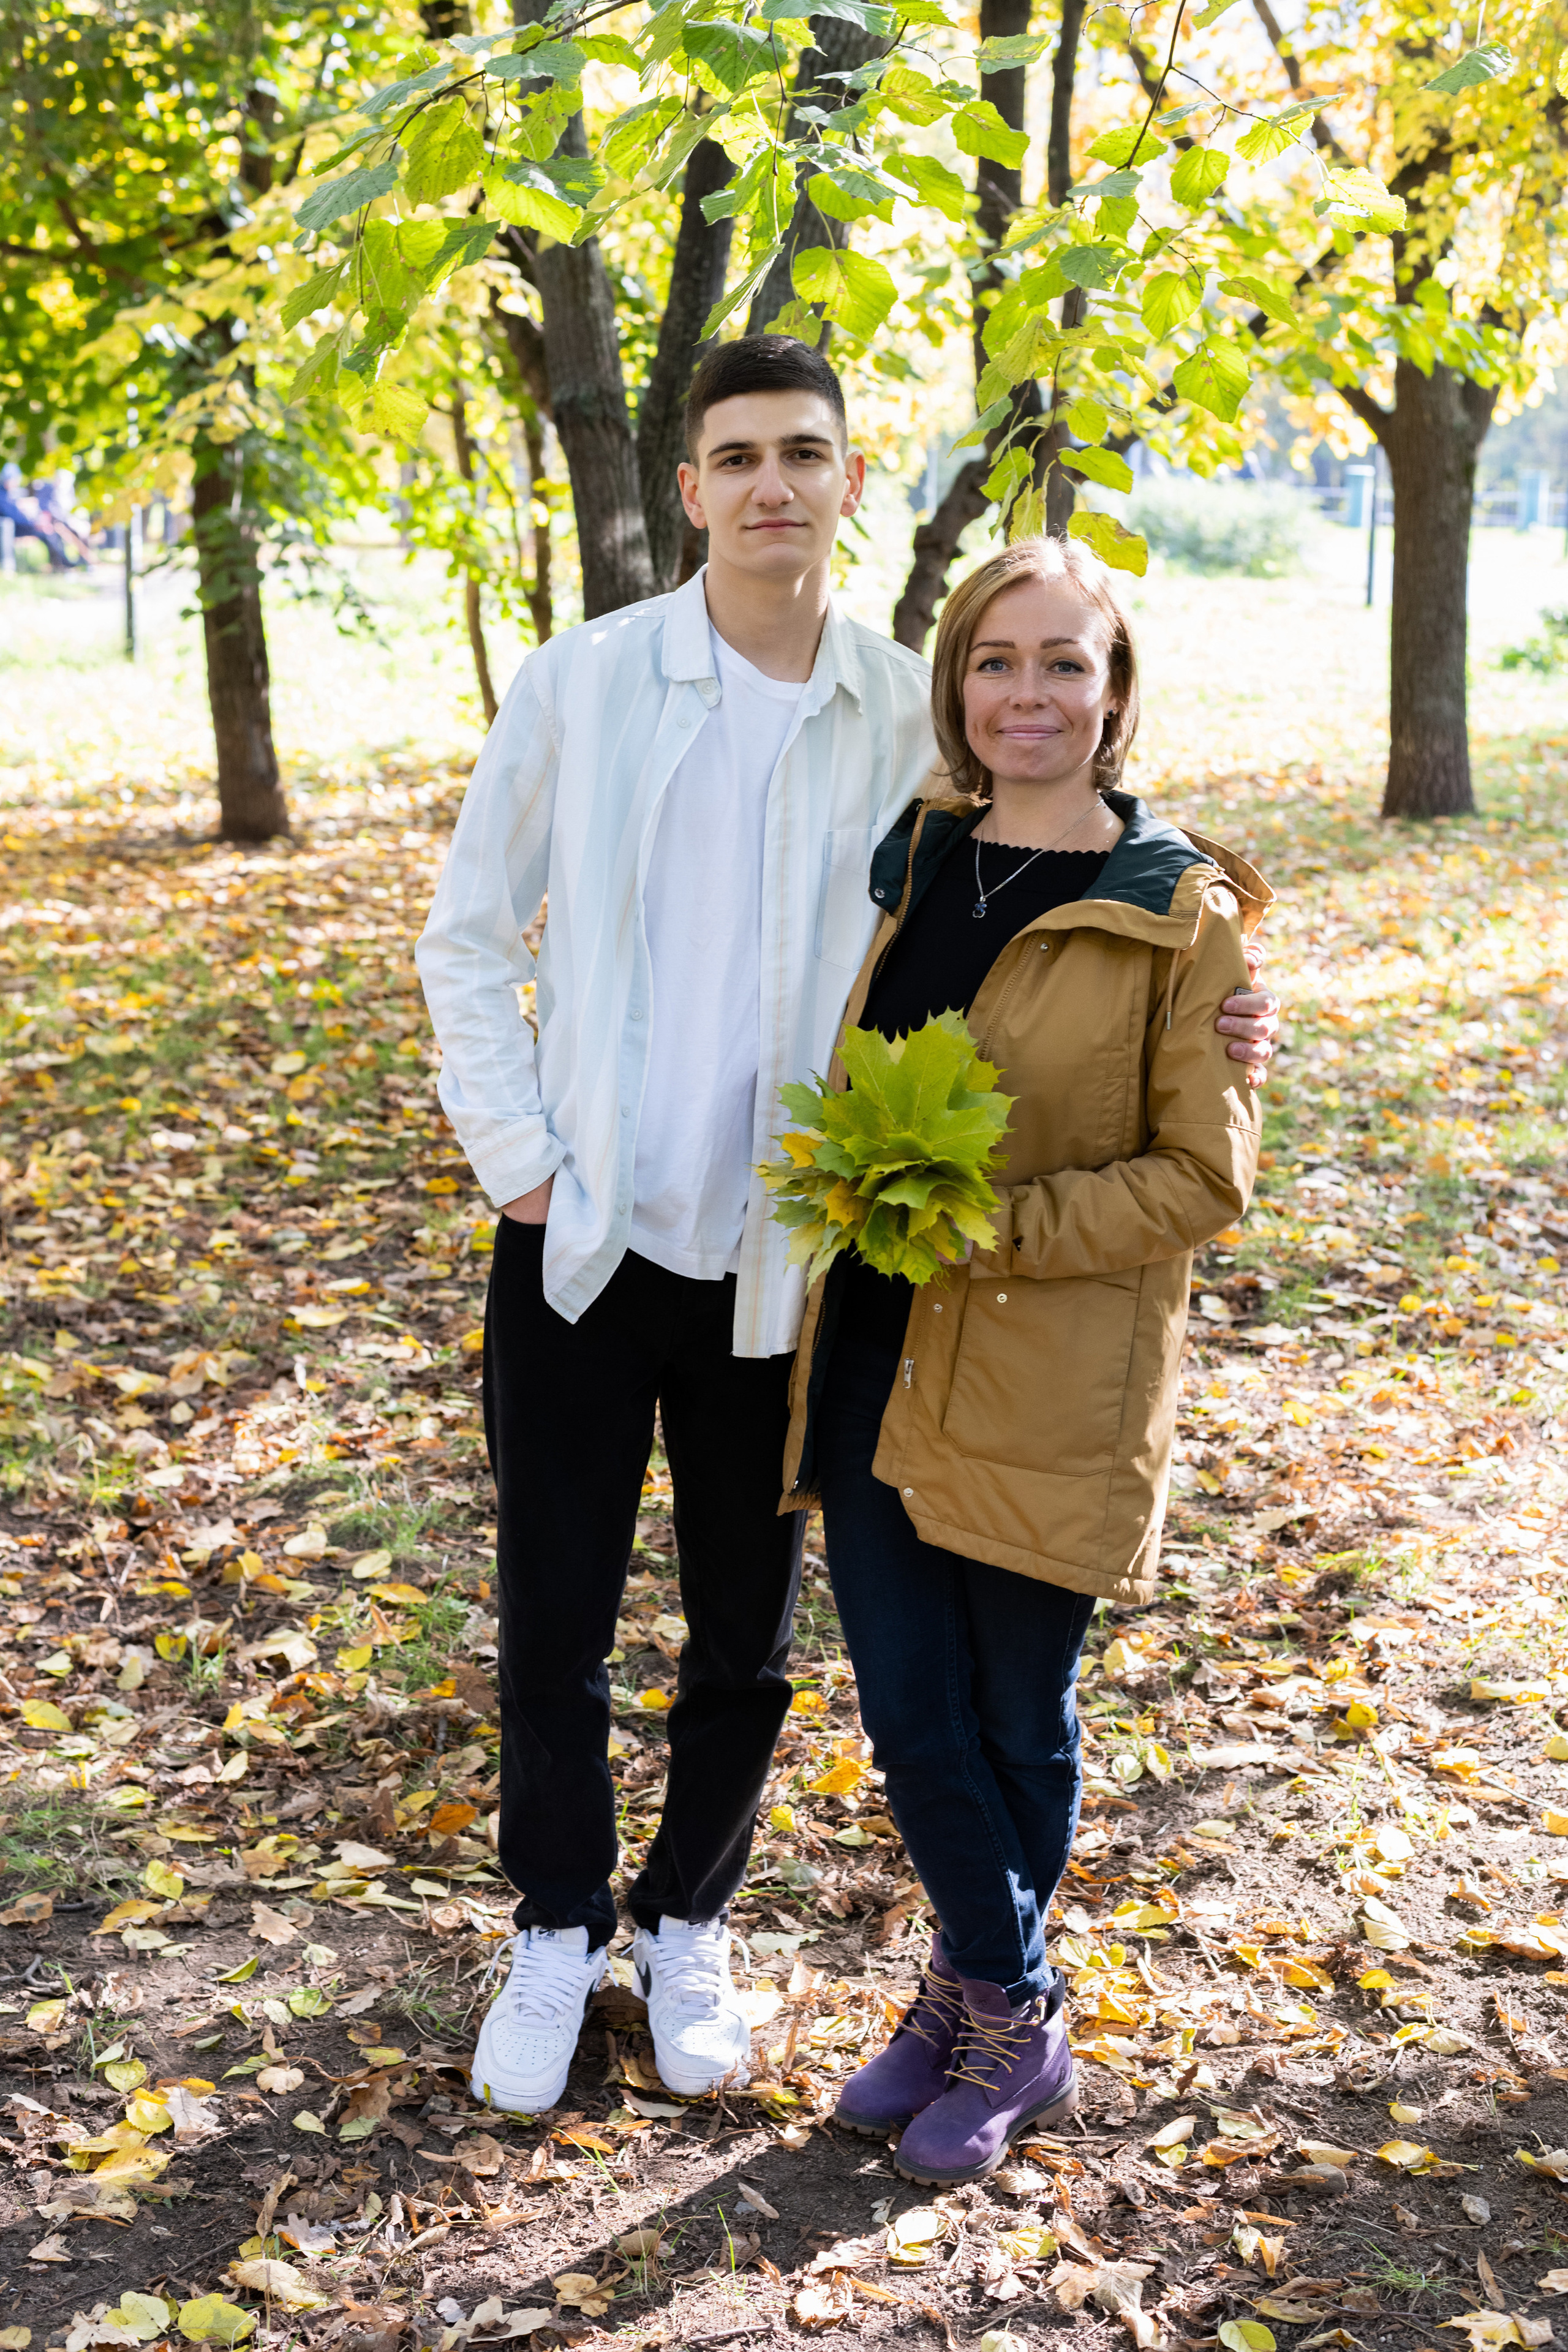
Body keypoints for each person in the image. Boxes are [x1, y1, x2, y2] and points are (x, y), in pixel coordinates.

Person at [416, 336, 1280, 2120]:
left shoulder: (906, 700)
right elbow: (463, 935)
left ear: (851, 480)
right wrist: (519, 1156)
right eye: (736, 457)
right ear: (690, 486)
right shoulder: (586, 683)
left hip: (793, 1263)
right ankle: (558, 1926)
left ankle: (686, 1927)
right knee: (555, 1612)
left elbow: (1067, 808)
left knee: (748, 1623)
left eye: (804, 453)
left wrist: (1235, 985)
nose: (770, 488)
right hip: (581, 1234)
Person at [781, 536, 1269, 2186]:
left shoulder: (1174, 911)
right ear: (959, 686)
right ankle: (993, 2003)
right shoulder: (912, 854)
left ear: (1115, 692)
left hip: (1052, 1365)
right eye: (999, 661)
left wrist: (991, 1226)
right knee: (913, 1715)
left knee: (1016, 1716)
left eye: (1067, 662)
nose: (1029, 693)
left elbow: (1207, 1177)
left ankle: (989, 2009)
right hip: (873, 1349)